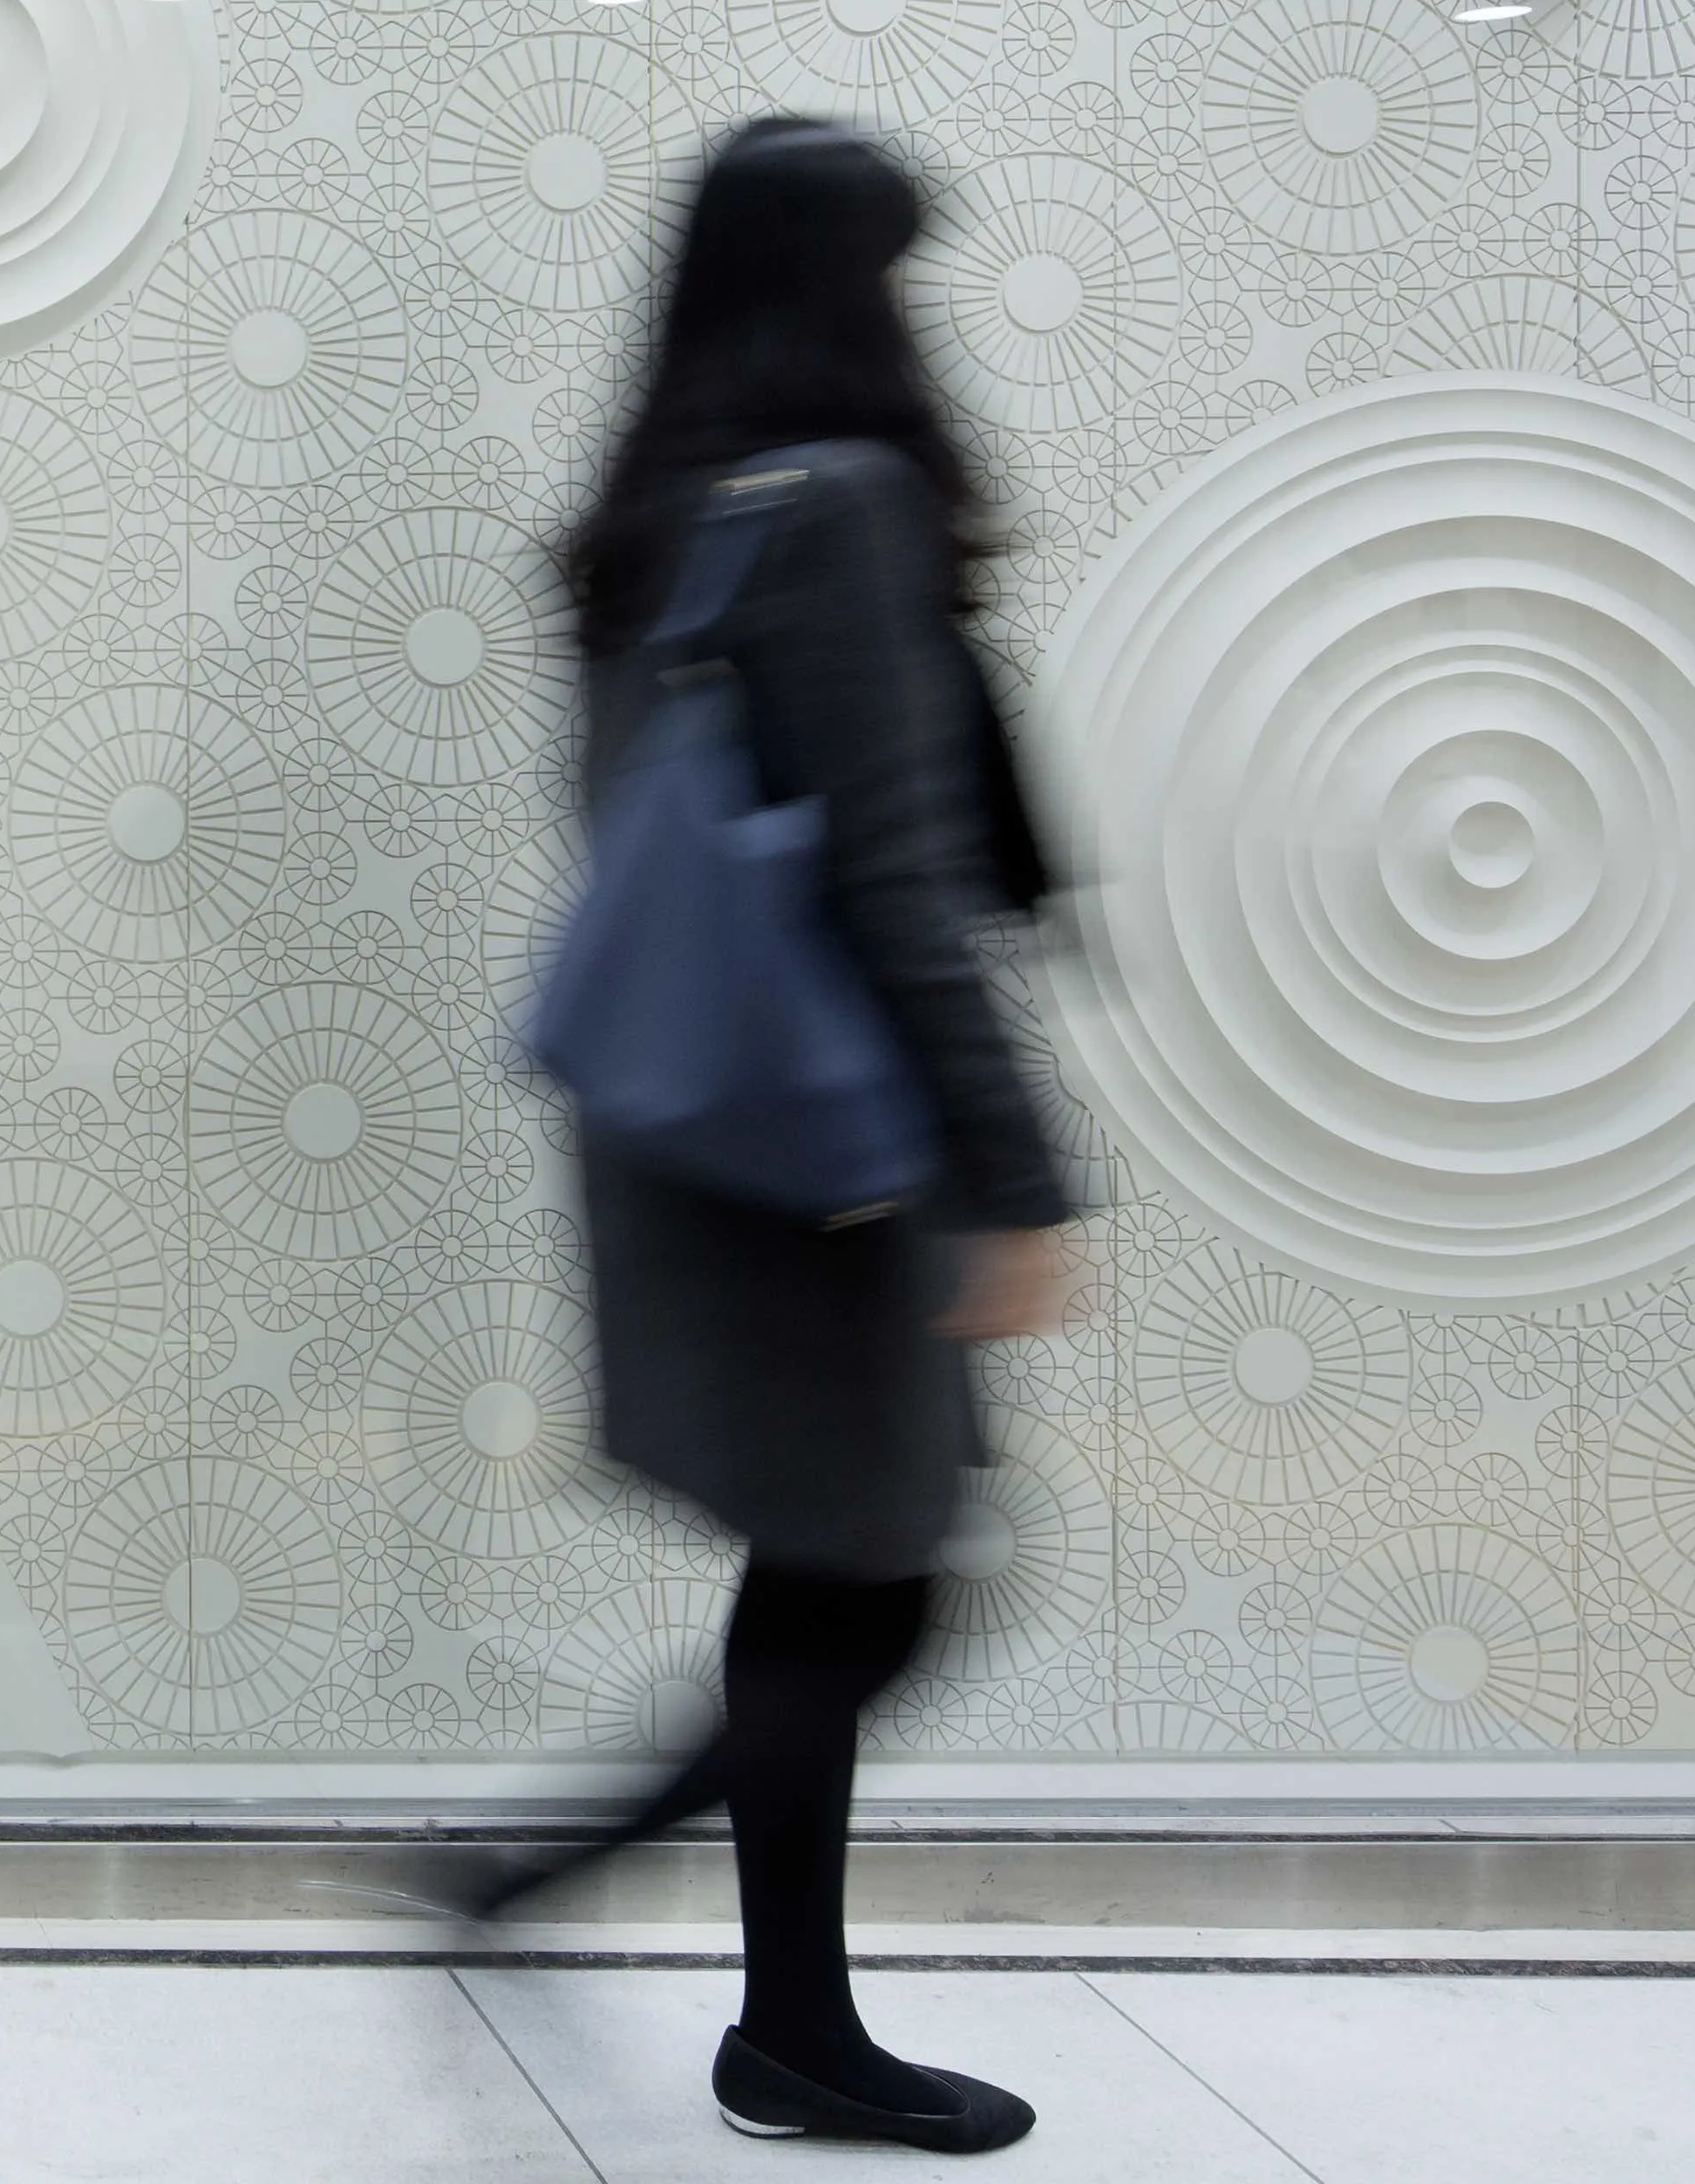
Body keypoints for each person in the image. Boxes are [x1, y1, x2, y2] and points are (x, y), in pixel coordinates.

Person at [466, 116, 1078, 2156]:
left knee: (846, 1570)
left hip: (695, 1120)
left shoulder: (656, 521)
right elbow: (898, 883)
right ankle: (778, 2028)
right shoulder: (846, 509)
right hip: (835, 1142)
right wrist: (1015, 1174)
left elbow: (649, 845)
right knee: (869, 1578)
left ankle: (559, 1891)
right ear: (852, 296)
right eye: (901, 274)